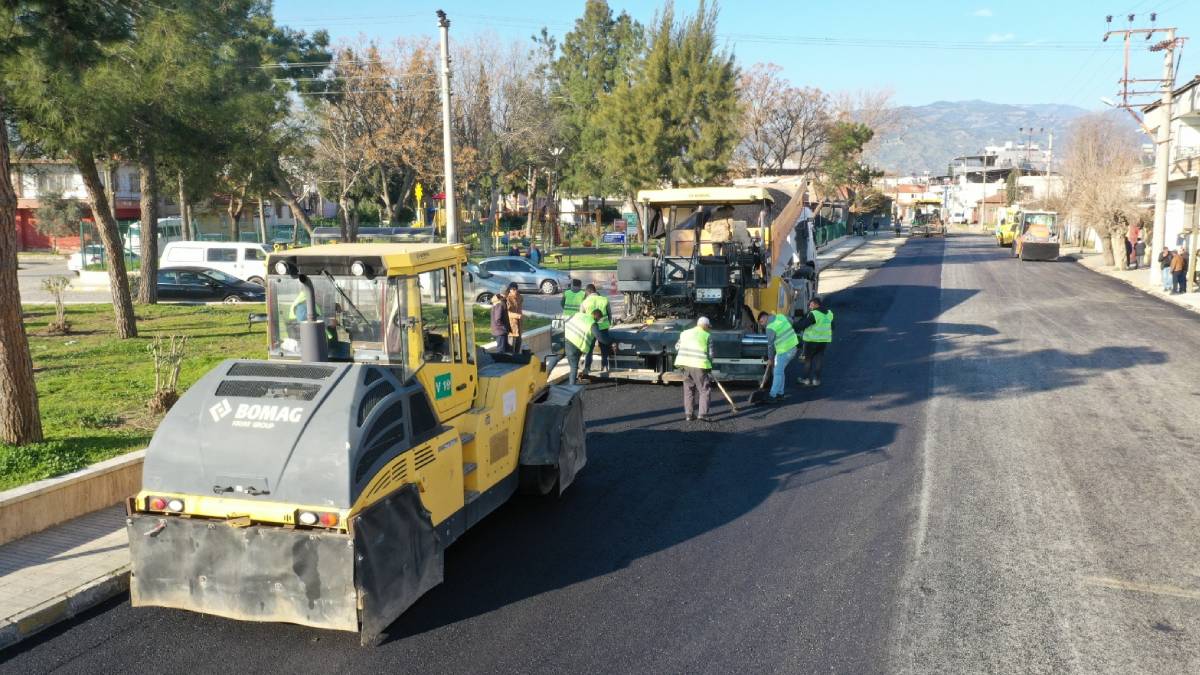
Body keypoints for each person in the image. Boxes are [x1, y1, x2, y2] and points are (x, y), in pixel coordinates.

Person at [675, 316, 714, 422]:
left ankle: (689, 415)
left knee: (688, 390)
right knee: (704, 390)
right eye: (708, 327)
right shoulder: (707, 335)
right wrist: (710, 367)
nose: (708, 329)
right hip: (699, 365)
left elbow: (677, 347)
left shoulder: (685, 333)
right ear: (705, 326)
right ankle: (703, 414)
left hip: (684, 364)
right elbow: (710, 355)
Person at [563, 309, 612, 385]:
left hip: (566, 339)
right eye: (599, 320)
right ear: (597, 317)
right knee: (574, 367)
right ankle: (571, 387)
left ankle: (546, 375)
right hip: (575, 345)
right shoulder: (592, 324)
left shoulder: (579, 314)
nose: (598, 321)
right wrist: (610, 342)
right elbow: (600, 337)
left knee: (570, 364)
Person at [759, 310, 798, 402]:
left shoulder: (770, 327)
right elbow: (791, 321)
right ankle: (780, 393)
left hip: (784, 350)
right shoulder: (780, 316)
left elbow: (770, 345)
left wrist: (770, 359)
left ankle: (773, 395)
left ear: (765, 317)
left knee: (777, 372)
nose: (761, 324)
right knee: (780, 371)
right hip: (793, 347)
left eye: (761, 321)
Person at [795, 297, 833, 386]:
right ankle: (816, 380)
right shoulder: (829, 314)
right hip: (823, 341)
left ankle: (806, 379)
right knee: (819, 360)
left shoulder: (814, 314)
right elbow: (832, 326)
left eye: (811, 304)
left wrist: (794, 326)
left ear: (816, 304)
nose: (810, 307)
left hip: (812, 341)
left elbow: (804, 324)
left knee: (808, 360)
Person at [579, 283, 612, 376]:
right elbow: (610, 314)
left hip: (591, 329)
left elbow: (581, 317)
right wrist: (609, 324)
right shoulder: (604, 300)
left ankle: (587, 367)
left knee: (589, 349)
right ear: (595, 291)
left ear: (587, 291)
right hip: (603, 328)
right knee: (604, 348)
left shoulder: (584, 302)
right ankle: (605, 366)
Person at [504, 282, 523, 353]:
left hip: (519, 323)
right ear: (509, 290)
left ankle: (517, 356)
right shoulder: (507, 299)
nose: (514, 291)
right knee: (511, 344)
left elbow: (520, 309)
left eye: (515, 289)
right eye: (512, 289)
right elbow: (506, 313)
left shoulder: (520, 297)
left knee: (519, 342)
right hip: (511, 324)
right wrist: (517, 315)